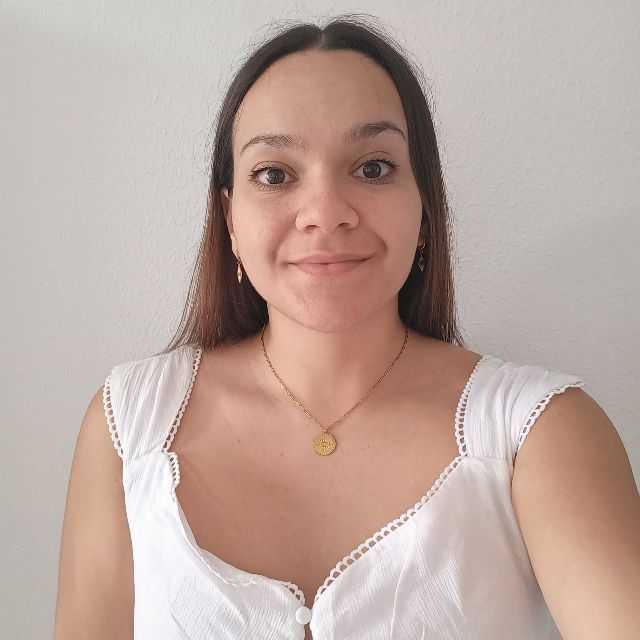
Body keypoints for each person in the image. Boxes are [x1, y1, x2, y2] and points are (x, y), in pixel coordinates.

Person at [54, 15, 640, 640]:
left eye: (373, 168)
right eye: (274, 174)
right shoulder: (130, 425)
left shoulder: (538, 432)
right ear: (230, 220)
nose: (326, 214)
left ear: (424, 206)